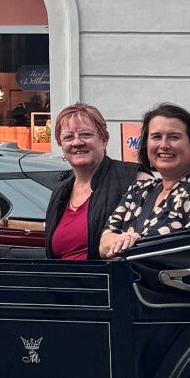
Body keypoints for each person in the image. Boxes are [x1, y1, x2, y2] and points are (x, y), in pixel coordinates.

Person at [100, 103, 190, 257]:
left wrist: (127, 246)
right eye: (156, 137)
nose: (164, 145)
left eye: (174, 137)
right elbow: (103, 244)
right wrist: (123, 240)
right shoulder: (139, 190)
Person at [42, 101, 138, 261]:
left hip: (109, 276)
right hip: (62, 277)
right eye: (68, 137)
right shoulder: (60, 192)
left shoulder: (132, 178)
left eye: (86, 134)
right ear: (61, 144)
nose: (77, 142)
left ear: (104, 139)